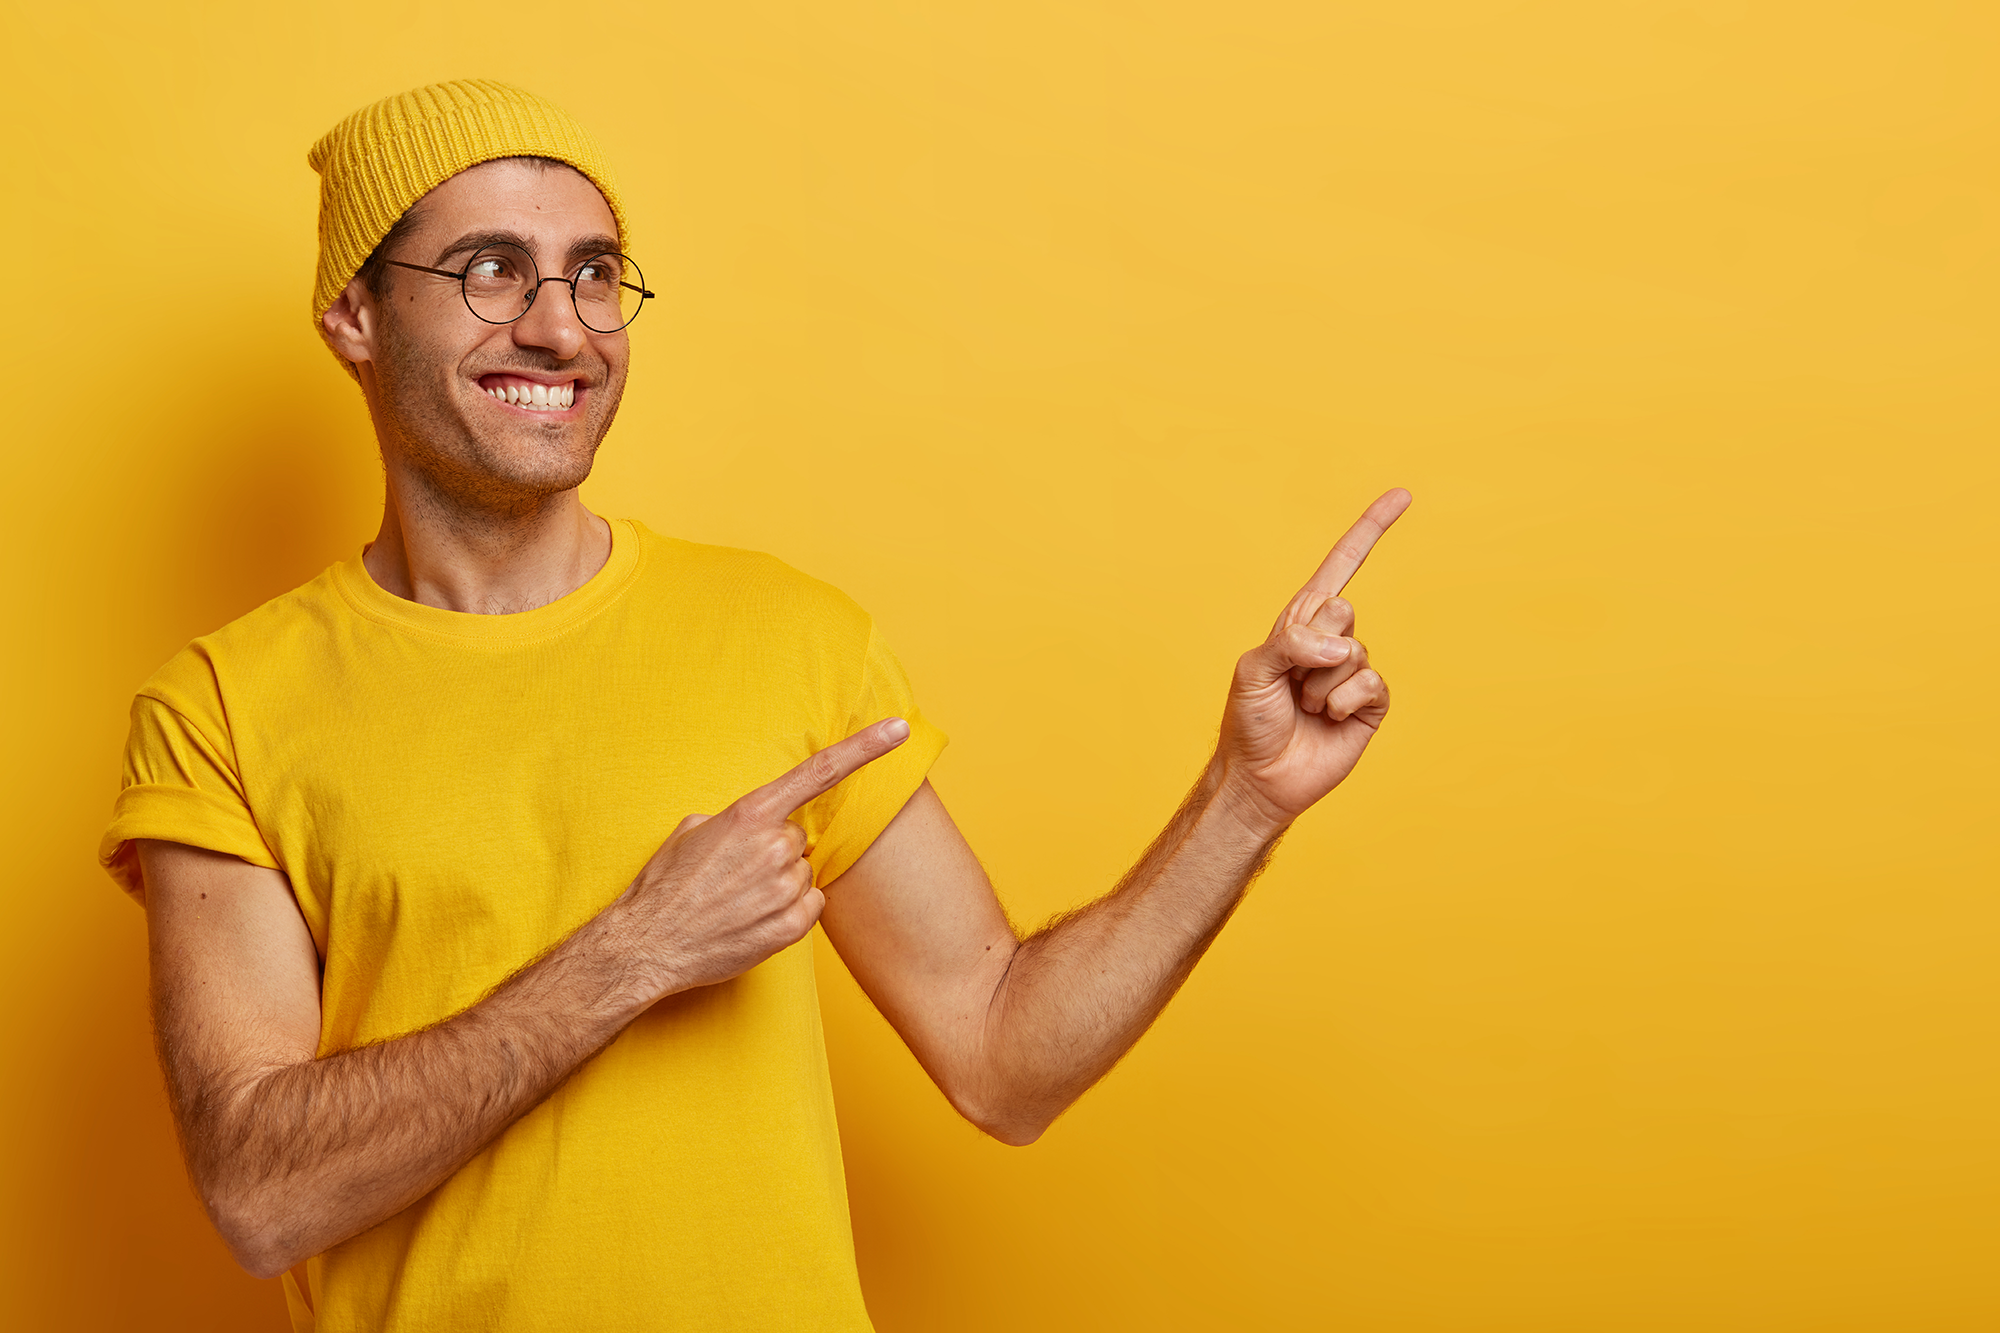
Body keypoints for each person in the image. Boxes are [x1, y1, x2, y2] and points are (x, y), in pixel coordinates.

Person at [99, 79, 1408, 1332]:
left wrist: (1245, 798)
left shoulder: (785, 639)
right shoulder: (224, 705)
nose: (561, 327)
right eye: (490, 270)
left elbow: (1007, 1061)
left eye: (595, 274)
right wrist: (638, 950)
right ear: (355, 317)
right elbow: (262, 1192)